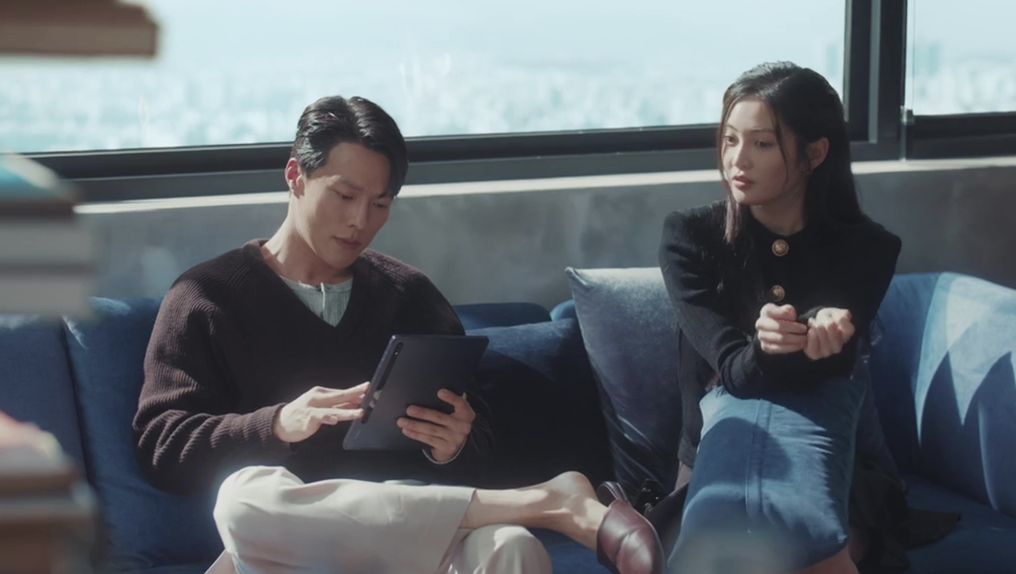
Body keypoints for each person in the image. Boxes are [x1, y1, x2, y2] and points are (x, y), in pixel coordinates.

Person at [132, 95, 663, 574]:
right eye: (344, 196)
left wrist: (454, 446)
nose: (359, 221)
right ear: (295, 176)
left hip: (417, 539)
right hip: (292, 545)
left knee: (511, 547)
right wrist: (277, 425)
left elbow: (479, 446)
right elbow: (161, 446)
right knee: (243, 499)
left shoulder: (410, 297)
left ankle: (535, 507)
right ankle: (547, 501)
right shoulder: (207, 297)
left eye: (380, 204)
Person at [642, 62, 957, 573]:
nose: (737, 160)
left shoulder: (869, 248)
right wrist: (779, 341)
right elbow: (735, 372)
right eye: (729, 140)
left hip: (836, 461)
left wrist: (817, 331)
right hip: (717, 462)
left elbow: (828, 377)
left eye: (762, 144)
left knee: (801, 548)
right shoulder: (689, 239)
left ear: (814, 154)